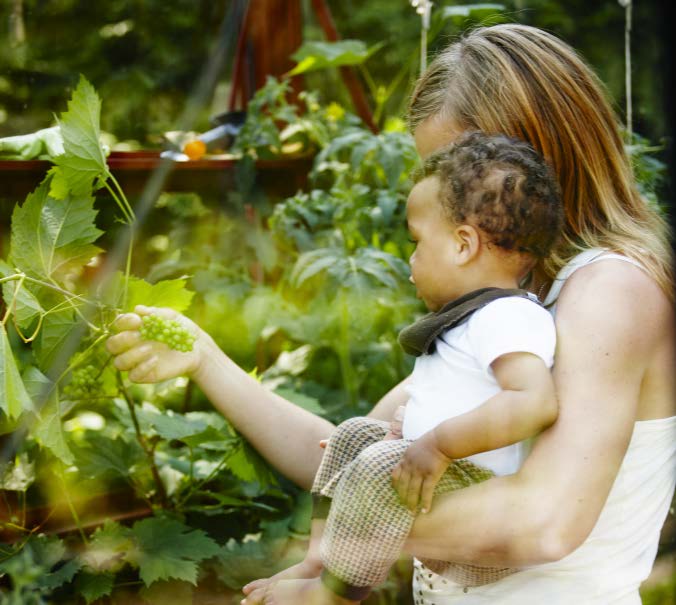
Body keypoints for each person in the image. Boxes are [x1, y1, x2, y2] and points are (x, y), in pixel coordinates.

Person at [106, 23, 675, 605]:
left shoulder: (611, 290)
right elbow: (350, 458)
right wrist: (206, 359)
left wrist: (345, 546)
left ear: (535, 160)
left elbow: (543, 521)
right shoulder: (509, 305)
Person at [295, 131, 562, 604]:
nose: (410, 259)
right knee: (355, 434)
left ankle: (334, 596)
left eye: (417, 242)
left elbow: (533, 402)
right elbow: (458, 394)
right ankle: (319, 561)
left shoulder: (509, 316)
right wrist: (412, 426)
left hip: (478, 514)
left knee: (379, 463)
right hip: (442, 482)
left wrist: (437, 444)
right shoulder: (474, 317)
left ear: (463, 245)